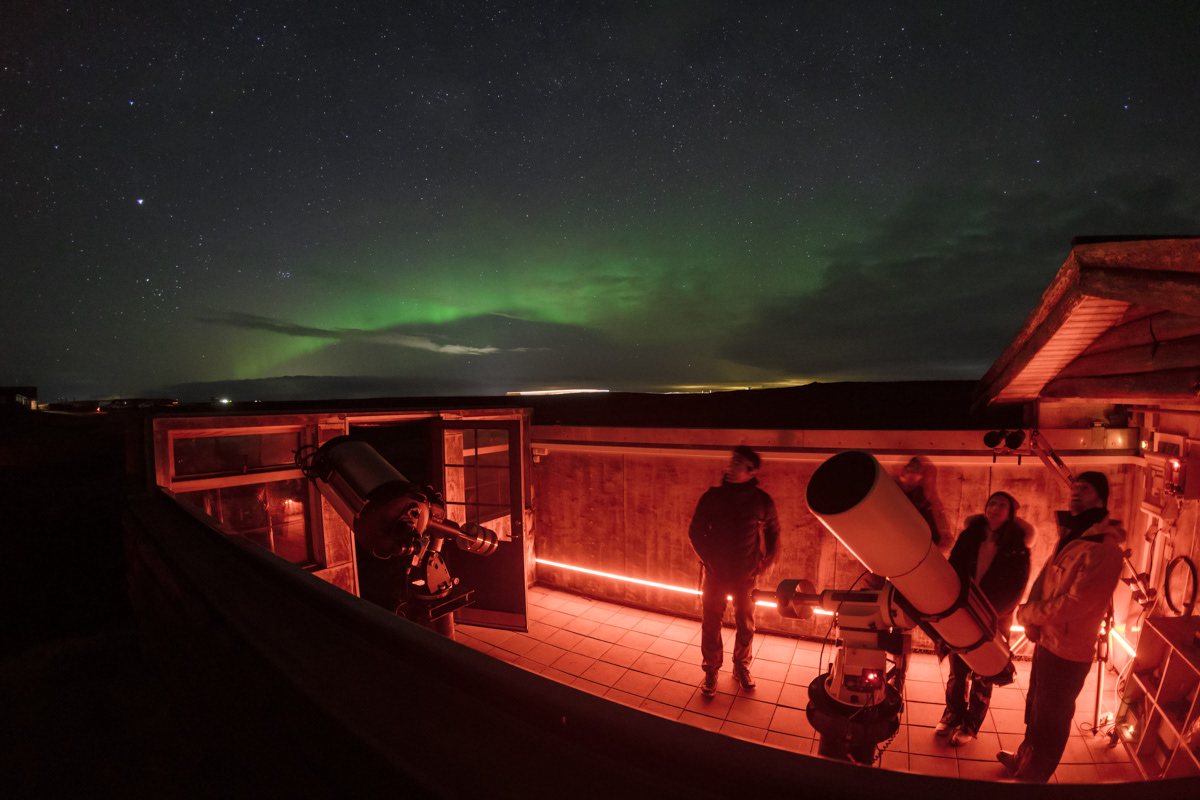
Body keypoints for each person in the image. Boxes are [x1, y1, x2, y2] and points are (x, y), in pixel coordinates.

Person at [998, 472, 1125, 782]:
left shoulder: (1104, 549)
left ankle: (1034, 777)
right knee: (1036, 708)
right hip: (1048, 639)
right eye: (1074, 487)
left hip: (1069, 651)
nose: (1075, 493)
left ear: (1100, 498)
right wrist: (1032, 618)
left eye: (1085, 488)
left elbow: (1076, 604)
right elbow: (1046, 577)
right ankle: (1023, 758)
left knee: (1053, 717)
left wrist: (1029, 615)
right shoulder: (1074, 535)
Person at [935, 491, 1031, 745]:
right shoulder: (970, 536)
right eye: (992, 503)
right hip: (962, 612)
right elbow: (953, 567)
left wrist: (987, 615)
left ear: (1011, 512)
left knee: (984, 673)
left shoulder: (1017, 546)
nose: (995, 508)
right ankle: (952, 714)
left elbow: (1016, 589)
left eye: (1002, 505)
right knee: (957, 669)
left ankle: (971, 724)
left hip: (993, 619)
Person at [688, 445, 781, 697]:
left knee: (746, 623)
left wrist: (769, 559)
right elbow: (695, 531)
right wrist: (708, 559)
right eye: (732, 460)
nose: (731, 465)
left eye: (738, 462)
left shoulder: (761, 500)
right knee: (711, 623)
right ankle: (711, 669)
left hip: (746, 575)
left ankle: (741, 666)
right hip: (715, 574)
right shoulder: (712, 496)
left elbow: (773, 529)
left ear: (751, 471)